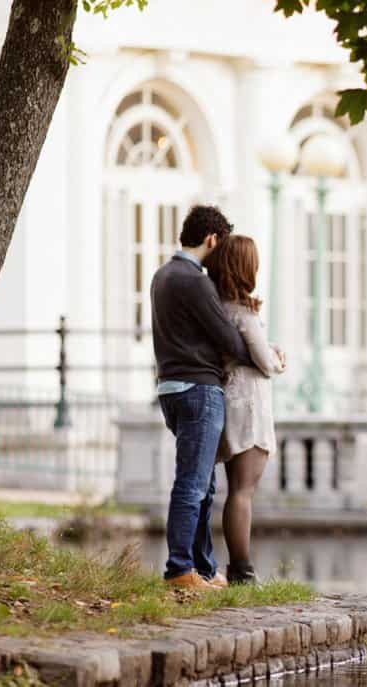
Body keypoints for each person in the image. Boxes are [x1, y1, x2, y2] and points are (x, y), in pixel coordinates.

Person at [151, 205, 252, 590]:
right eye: (221, 245)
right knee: (193, 485)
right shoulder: (194, 281)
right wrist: (262, 351)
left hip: (171, 388)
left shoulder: (163, 275)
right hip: (198, 390)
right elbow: (229, 340)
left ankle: (203, 570)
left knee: (203, 485)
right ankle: (179, 570)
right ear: (212, 239)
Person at [206, 235, 286, 585]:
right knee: (242, 491)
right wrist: (278, 359)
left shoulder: (217, 307)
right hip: (247, 405)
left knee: (235, 490)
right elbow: (264, 362)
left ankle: (236, 566)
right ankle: (242, 570)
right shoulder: (244, 312)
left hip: (229, 400)